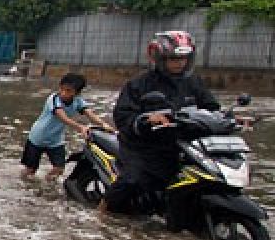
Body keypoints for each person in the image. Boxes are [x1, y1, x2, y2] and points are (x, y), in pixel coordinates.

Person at [101, 31, 220, 227]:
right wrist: (147, 119)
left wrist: (231, 118)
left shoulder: (194, 83)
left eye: (184, 58)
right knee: (133, 180)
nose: (179, 63)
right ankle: (103, 210)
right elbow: (123, 117)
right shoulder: (139, 84)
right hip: (142, 146)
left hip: (180, 144)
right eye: (174, 59)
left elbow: (211, 108)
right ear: (159, 58)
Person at [21, 73, 113, 180]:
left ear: (77, 93)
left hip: (55, 140)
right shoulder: (54, 99)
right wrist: (81, 128)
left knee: (59, 169)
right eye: (62, 89)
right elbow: (62, 117)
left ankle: (46, 185)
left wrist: (103, 124)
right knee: (30, 170)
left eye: (68, 91)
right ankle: (23, 183)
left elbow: (90, 114)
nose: (63, 93)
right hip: (38, 138)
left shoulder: (78, 101)